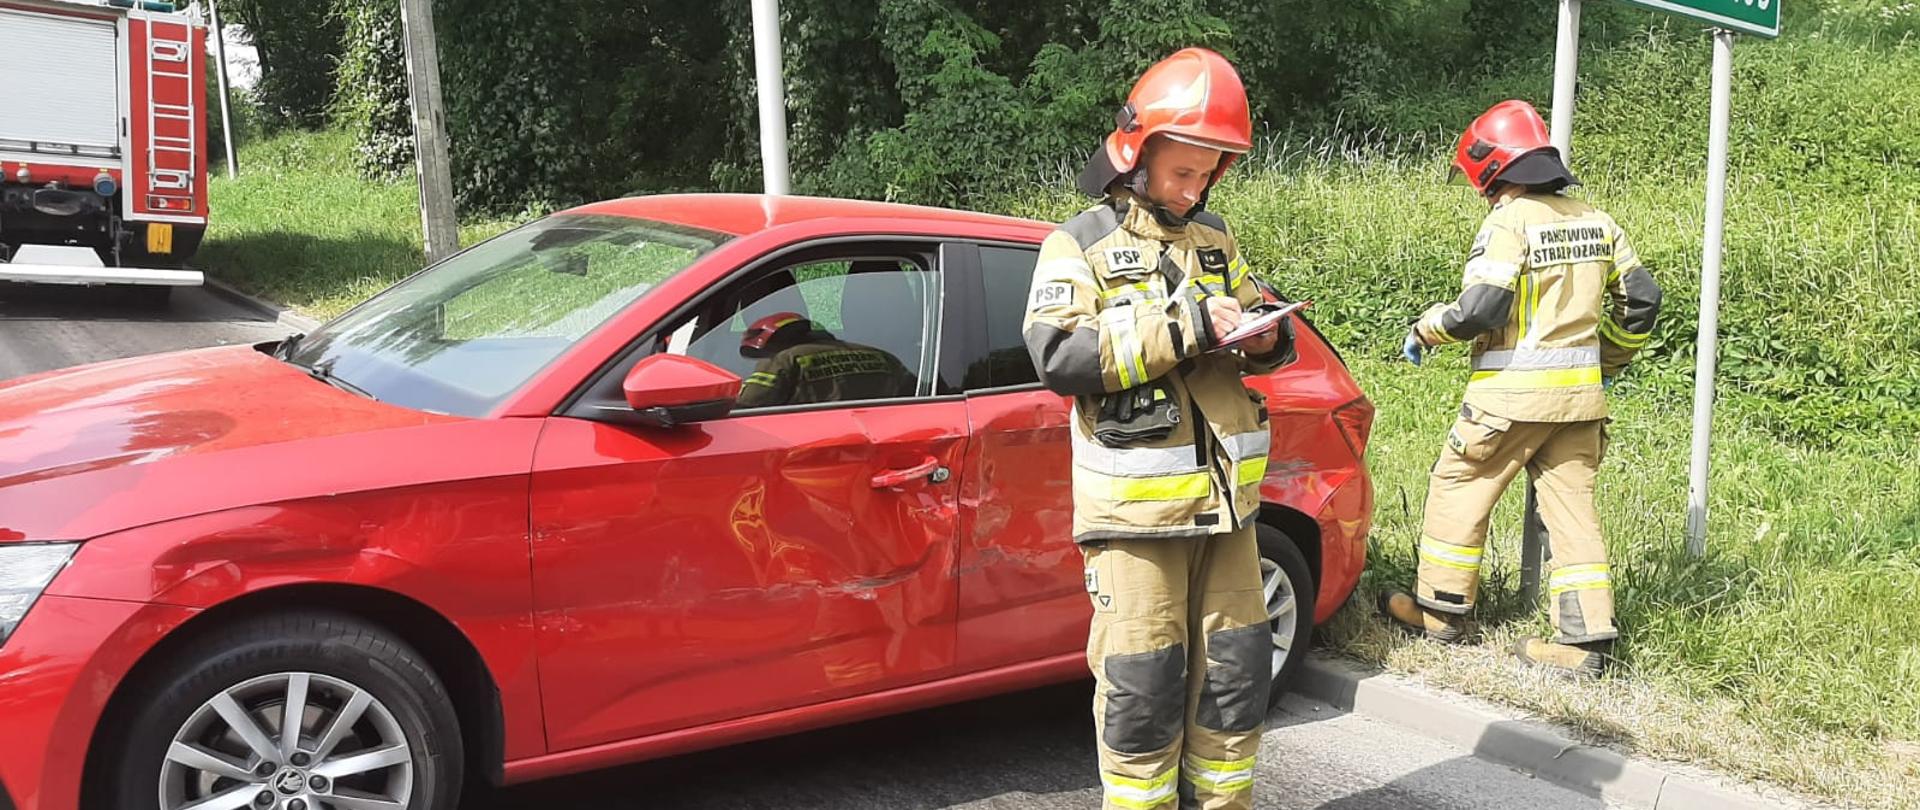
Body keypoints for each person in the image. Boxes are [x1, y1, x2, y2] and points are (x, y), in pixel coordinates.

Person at [1022, 47, 1297, 810]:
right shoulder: (1078, 245)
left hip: (1227, 512)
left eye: (1208, 174)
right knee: (1142, 690)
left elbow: (1256, 316)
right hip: (1135, 521)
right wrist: (1187, 327)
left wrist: (1267, 337)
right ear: (1134, 156)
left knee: (1237, 679)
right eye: (1183, 172)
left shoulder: (1214, 241)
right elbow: (1058, 353)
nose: (1196, 188)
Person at [1384, 99, 1663, 677]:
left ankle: (1441, 612)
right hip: (1580, 402)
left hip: (1508, 399)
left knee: (1460, 484)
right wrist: (1608, 361)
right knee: (1572, 513)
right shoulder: (1598, 220)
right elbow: (1642, 300)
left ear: (1492, 170)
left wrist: (1427, 329)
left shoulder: (1509, 222)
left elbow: (1482, 308)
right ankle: (1584, 643)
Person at [734, 312, 914, 408]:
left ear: (775, 340)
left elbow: (748, 406)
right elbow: (915, 394)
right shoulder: (883, 357)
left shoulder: (784, 359)